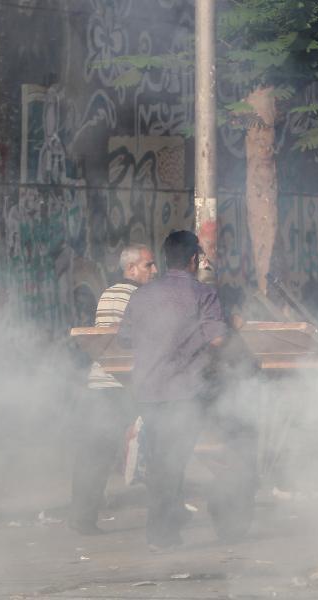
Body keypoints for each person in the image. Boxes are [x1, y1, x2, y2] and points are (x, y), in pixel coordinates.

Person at [118, 230, 228, 550]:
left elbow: (125, 338)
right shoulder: (201, 294)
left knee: (160, 461)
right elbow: (218, 339)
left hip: (149, 391)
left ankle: (165, 528)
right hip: (184, 391)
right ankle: (162, 533)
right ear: (194, 260)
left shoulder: (140, 296)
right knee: (174, 462)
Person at [69, 244, 158, 535]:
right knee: (159, 444)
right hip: (125, 385)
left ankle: (82, 519)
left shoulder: (108, 293)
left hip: (100, 382)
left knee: (93, 454)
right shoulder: (141, 297)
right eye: (148, 265)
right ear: (131, 269)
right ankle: (169, 511)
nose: (154, 270)